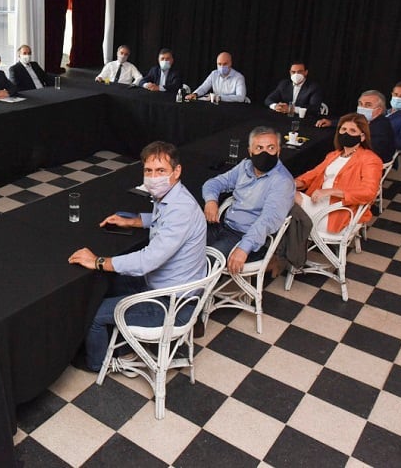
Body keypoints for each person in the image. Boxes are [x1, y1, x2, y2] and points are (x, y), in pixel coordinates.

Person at [68, 141, 208, 371]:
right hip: (169, 287)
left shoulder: (181, 209)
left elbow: (146, 261)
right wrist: (134, 220)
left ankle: (99, 363)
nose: (153, 177)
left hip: (171, 304)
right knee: (106, 283)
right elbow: (163, 219)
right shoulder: (175, 197)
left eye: (161, 171)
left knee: (93, 312)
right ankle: (125, 347)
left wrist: (98, 261)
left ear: (177, 171)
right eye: (148, 171)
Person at [201, 125, 295, 277]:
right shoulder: (245, 166)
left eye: (270, 148)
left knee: (205, 263)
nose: (265, 153)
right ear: (250, 151)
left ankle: (185, 298)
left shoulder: (282, 182)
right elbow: (213, 183)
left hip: (245, 237)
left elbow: (267, 220)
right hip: (222, 225)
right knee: (184, 245)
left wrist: (244, 248)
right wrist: (211, 201)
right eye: (259, 148)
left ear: (279, 151)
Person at [295, 113, 383, 233]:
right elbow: (311, 176)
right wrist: (289, 183)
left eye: (352, 131)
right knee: (280, 194)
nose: (346, 133)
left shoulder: (370, 159)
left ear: (362, 137)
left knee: (286, 201)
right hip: (317, 204)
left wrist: (332, 191)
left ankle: (280, 242)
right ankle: (288, 242)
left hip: (338, 214)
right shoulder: (334, 155)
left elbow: (369, 193)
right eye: (343, 129)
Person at [316, 90, 396, 163]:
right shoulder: (362, 117)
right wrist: (331, 123)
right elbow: (349, 121)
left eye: (368, 105)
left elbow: (371, 152)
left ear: (379, 111)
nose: (362, 108)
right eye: (360, 104)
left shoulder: (381, 127)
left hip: (370, 161)